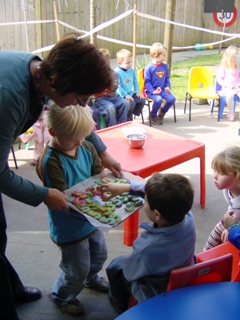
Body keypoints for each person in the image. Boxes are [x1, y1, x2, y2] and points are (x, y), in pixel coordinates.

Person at [0, 33, 122, 320]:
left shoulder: (46, 76)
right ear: (62, 84)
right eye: (82, 97)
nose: (83, 103)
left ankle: (12, 290)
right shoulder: (9, 97)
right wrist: (43, 194)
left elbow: (76, 113)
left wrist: (102, 152)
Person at [36, 102, 108, 316]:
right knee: (75, 268)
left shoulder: (86, 146)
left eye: (83, 136)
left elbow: (97, 177)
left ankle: (90, 279)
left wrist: (109, 188)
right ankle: (62, 294)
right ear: (53, 132)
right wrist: (98, 205)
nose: (80, 142)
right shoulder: (50, 161)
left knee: (99, 256)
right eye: (74, 138)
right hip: (69, 227)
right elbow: (63, 199)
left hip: (92, 220)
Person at [103, 173, 196, 314]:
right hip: (183, 274)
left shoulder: (148, 248)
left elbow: (129, 273)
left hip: (155, 291)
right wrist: (126, 188)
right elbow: (156, 191)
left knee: (116, 266)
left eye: (145, 202)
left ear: (157, 215)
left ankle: (120, 305)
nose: (144, 203)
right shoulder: (187, 216)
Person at [203, 146, 240, 251]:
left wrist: (232, 228)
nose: (215, 176)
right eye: (214, 170)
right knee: (216, 233)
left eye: (221, 173)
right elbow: (232, 206)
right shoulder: (228, 189)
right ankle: (203, 256)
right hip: (234, 221)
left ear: (238, 176)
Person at [93, 48, 130, 127]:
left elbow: (114, 87)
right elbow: (94, 89)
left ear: (108, 63)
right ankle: (112, 128)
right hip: (100, 99)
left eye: (102, 64)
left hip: (113, 97)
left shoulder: (113, 73)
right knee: (110, 108)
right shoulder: (95, 75)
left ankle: (121, 125)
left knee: (125, 103)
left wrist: (106, 82)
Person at [144, 42, 176, 125]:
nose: (165, 57)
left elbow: (167, 78)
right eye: (163, 55)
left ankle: (162, 112)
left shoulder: (164, 66)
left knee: (172, 99)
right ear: (156, 56)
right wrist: (153, 91)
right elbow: (147, 82)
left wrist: (167, 87)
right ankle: (153, 115)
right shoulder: (149, 68)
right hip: (151, 92)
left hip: (162, 90)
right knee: (158, 99)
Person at [115, 49, 145, 121]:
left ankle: (131, 113)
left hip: (130, 92)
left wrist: (137, 92)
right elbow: (117, 86)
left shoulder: (131, 70)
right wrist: (125, 95)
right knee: (131, 103)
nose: (130, 64)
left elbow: (135, 81)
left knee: (142, 100)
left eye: (131, 62)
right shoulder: (117, 72)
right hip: (121, 95)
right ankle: (128, 118)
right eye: (127, 63)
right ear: (120, 63)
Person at [217, 45, 240, 122]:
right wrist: (226, 84)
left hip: (237, 87)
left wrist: (239, 83)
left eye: (237, 58)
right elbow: (219, 79)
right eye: (234, 58)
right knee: (229, 96)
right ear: (229, 58)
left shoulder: (238, 68)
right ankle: (230, 113)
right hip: (227, 88)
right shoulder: (224, 67)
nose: (236, 60)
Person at [30, 101, 51, 166]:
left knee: (48, 138)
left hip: (47, 116)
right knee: (38, 139)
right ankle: (37, 158)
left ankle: (50, 157)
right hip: (36, 119)